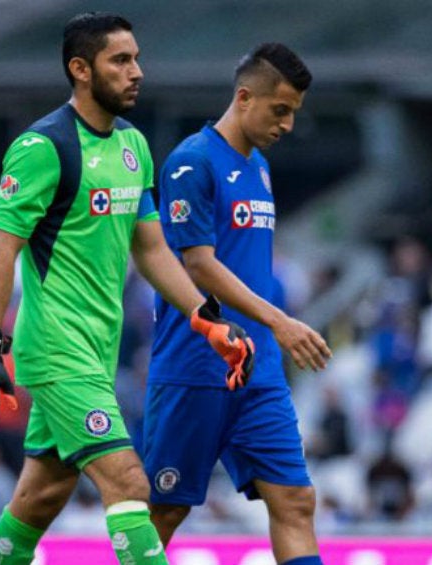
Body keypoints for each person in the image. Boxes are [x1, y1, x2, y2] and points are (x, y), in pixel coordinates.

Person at [0, 13, 254, 565]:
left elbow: (152, 249)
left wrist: (206, 316)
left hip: (98, 349)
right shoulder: (43, 147)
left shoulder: (134, 146)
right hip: (56, 348)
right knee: (128, 483)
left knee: (41, 497)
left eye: (137, 58)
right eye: (121, 60)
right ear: (81, 69)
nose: (136, 71)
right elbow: (2, 248)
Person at [144, 43, 332, 565]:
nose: (288, 124)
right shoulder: (191, 163)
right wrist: (281, 320)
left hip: (260, 371)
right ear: (245, 97)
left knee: (295, 500)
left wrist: (271, 333)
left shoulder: (260, 168)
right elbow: (198, 265)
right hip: (196, 365)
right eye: (281, 110)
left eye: (294, 112)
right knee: (164, 512)